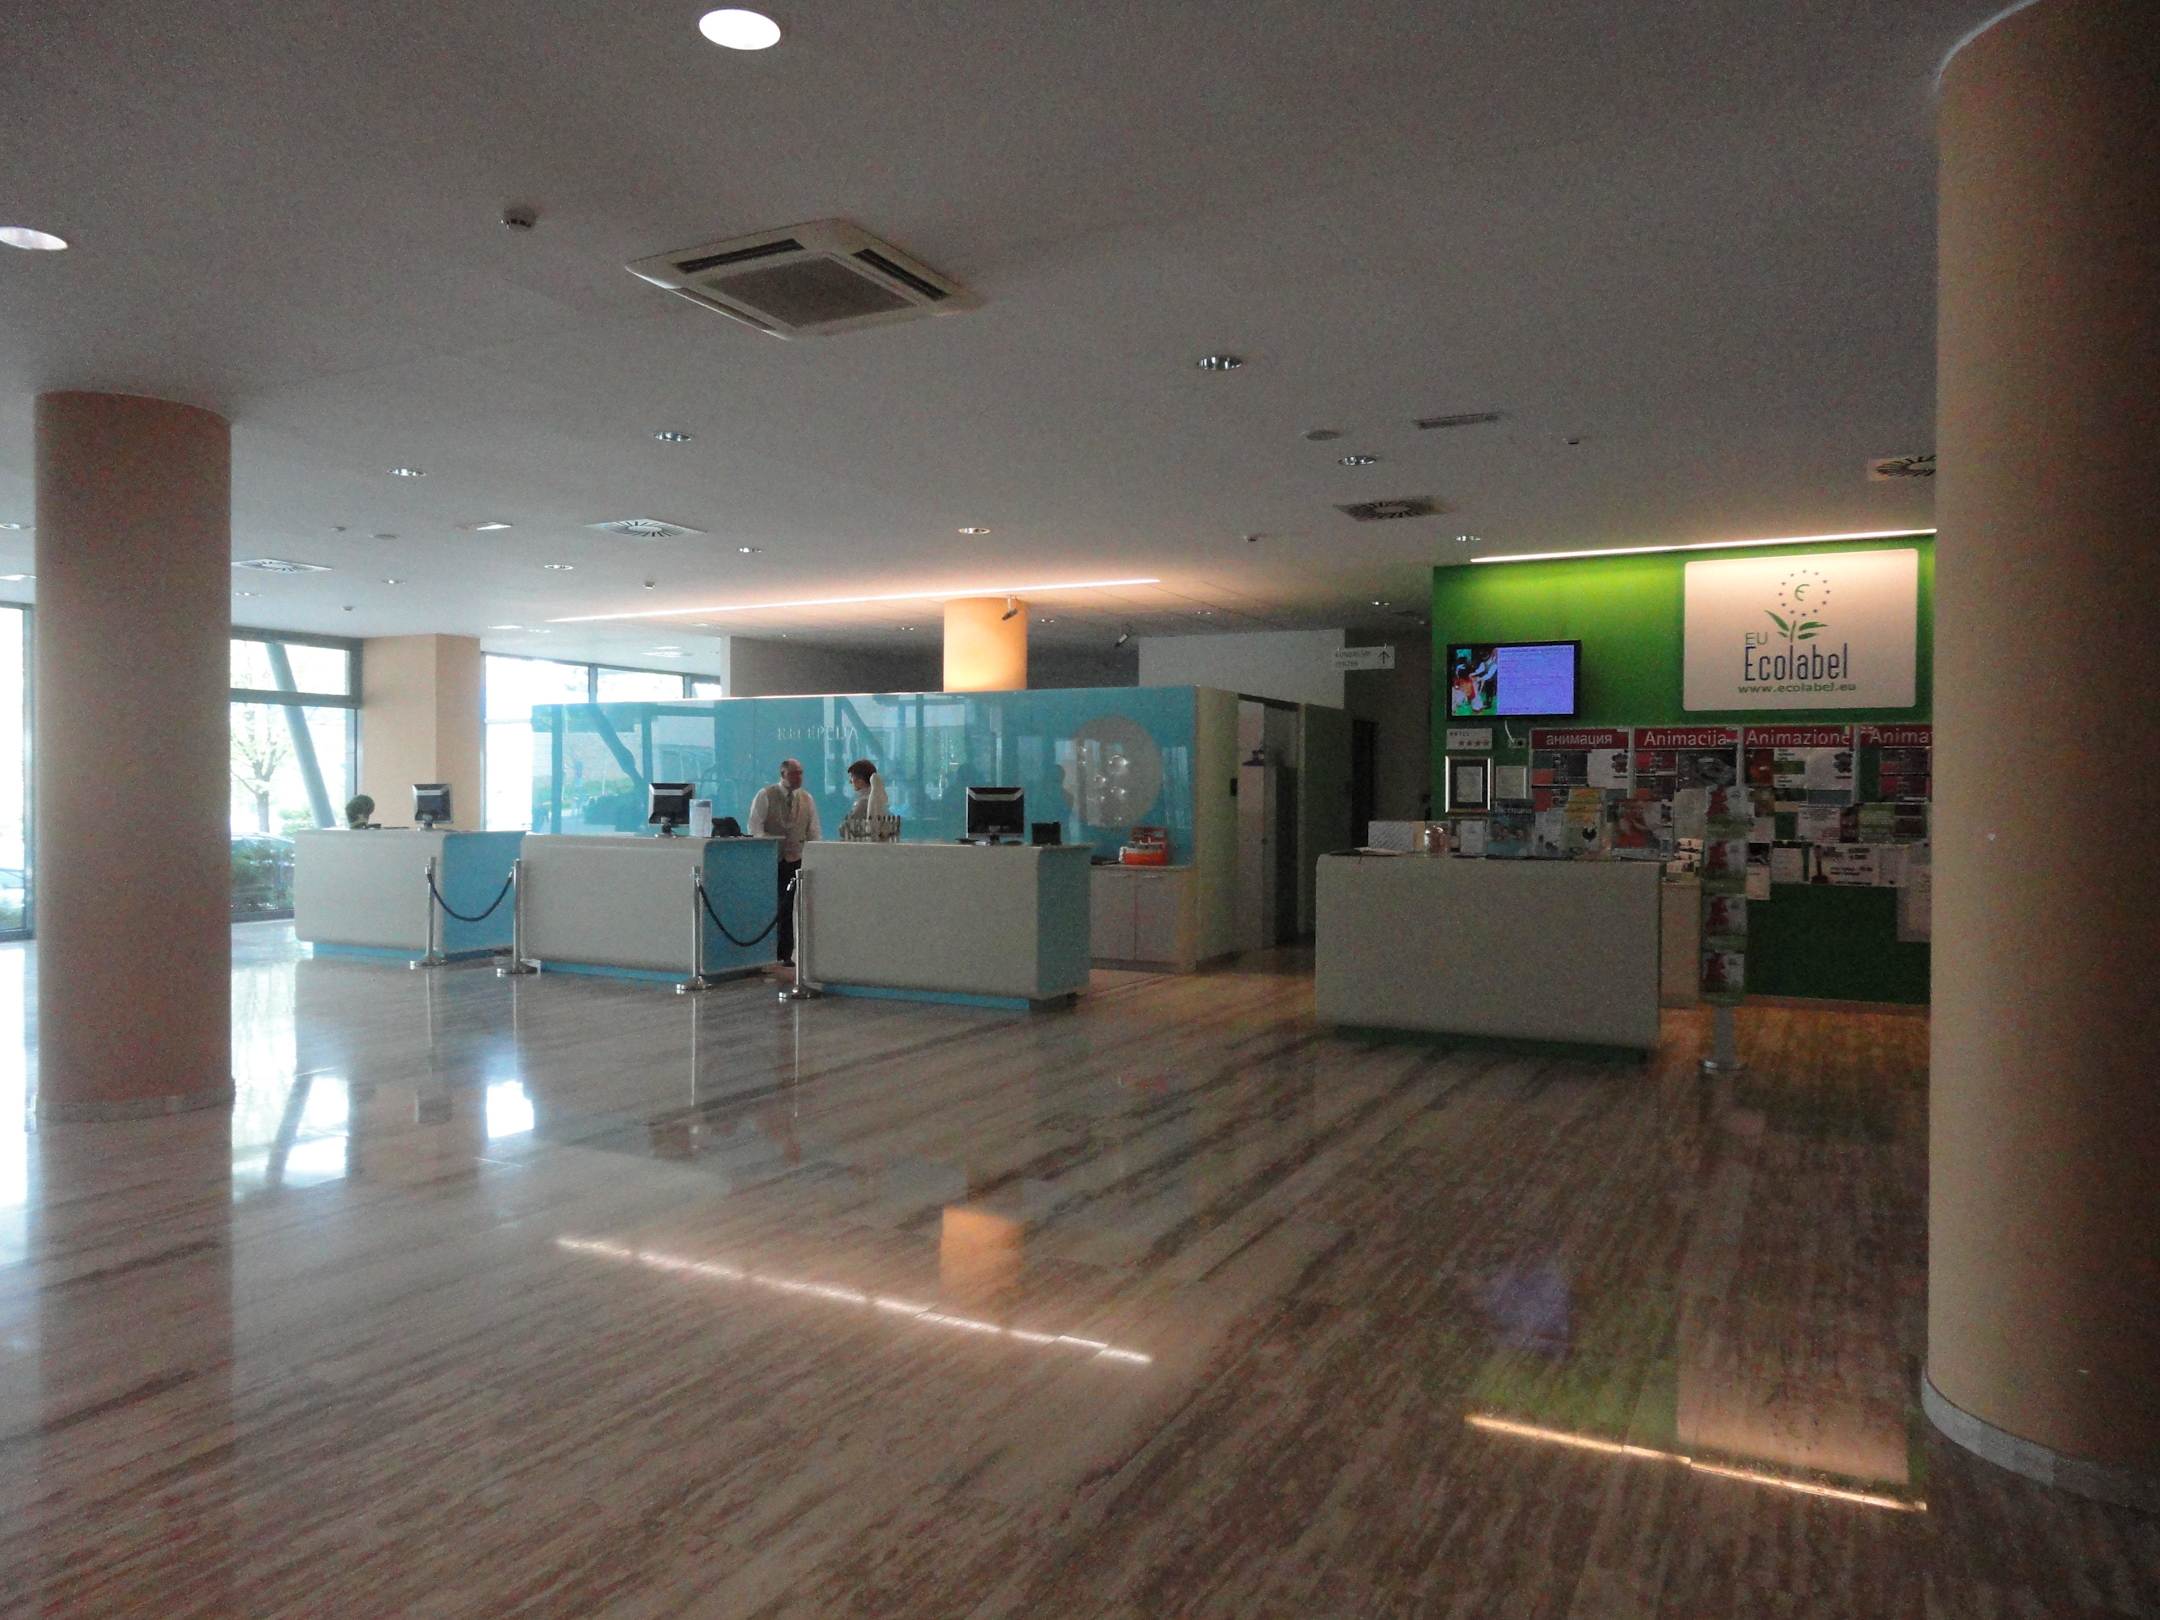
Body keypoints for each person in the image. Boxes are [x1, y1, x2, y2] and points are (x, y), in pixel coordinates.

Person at [748, 757, 821, 965]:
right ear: (783, 774)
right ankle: (771, 954)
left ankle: (788, 954)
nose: (799, 777)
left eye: (801, 773)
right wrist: (769, 845)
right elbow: (755, 827)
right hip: (773, 861)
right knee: (775, 907)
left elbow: (814, 830)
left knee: (793, 908)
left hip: (797, 860)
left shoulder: (807, 798)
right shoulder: (765, 795)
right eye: (794, 773)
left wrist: (815, 854)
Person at [843, 758, 887, 830]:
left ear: (860, 781)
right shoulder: (879, 798)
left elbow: (847, 827)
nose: (850, 781)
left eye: (852, 777)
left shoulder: (863, 803)